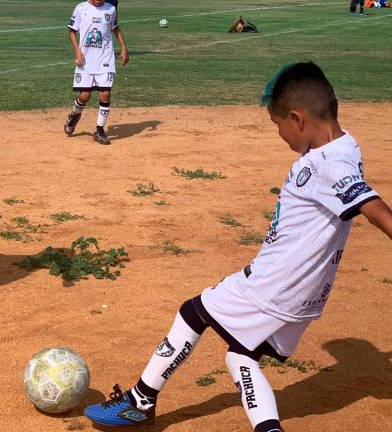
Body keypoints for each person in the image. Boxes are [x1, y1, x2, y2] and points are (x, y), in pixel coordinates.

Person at [83, 62, 392, 431]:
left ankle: (140, 401)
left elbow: (374, 210)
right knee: (242, 357)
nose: (280, 135)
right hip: (307, 294)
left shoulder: (326, 164)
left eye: (278, 125)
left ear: (298, 119)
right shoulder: (345, 145)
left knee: (193, 313)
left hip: (274, 284)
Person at [64, 0, 129, 145]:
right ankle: (75, 115)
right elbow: (72, 31)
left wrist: (124, 47)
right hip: (86, 60)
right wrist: (77, 51)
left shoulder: (111, 9)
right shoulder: (81, 8)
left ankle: (99, 130)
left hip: (105, 59)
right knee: (84, 96)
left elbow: (116, 28)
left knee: (105, 94)